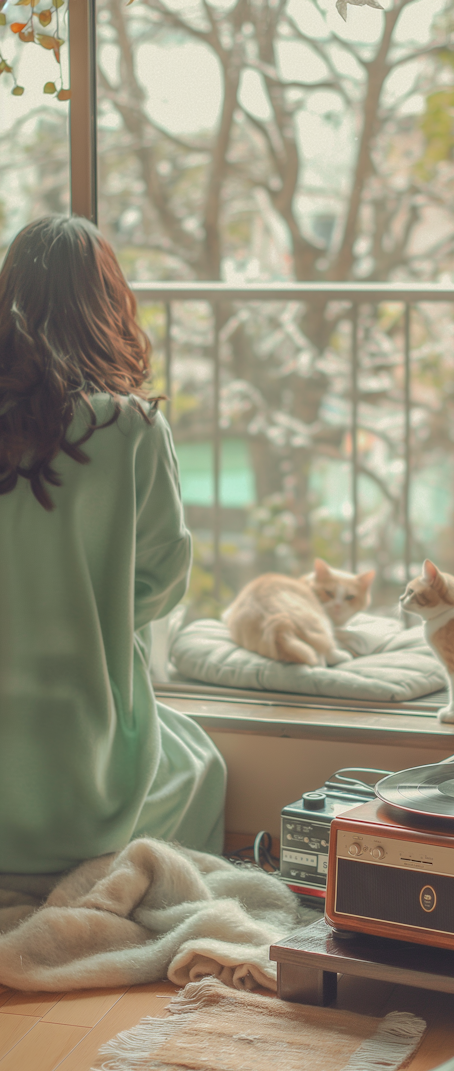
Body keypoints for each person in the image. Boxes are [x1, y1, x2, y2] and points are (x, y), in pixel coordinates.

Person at [0, 215, 226, 875]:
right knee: (201, 765)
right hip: (85, 753)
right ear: (107, 307)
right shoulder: (133, 429)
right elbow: (163, 579)